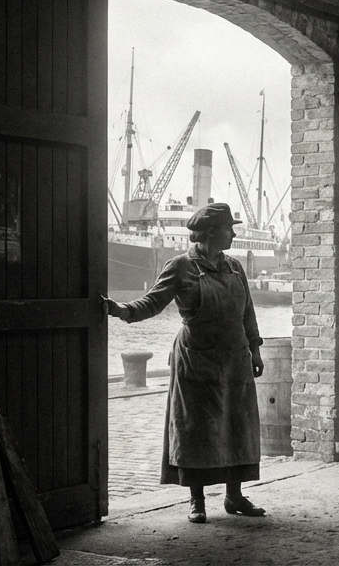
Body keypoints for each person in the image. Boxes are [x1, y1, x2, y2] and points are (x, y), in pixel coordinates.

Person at [104, 202, 267, 523]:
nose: (233, 233)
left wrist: (256, 348)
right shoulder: (181, 266)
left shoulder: (235, 267)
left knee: (237, 424)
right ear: (209, 233)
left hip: (235, 358)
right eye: (228, 228)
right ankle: (197, 501)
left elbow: (247, 311)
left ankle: (234, 497)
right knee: (196, 428)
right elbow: (152, 301)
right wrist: (122, 310)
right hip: (195, 361)